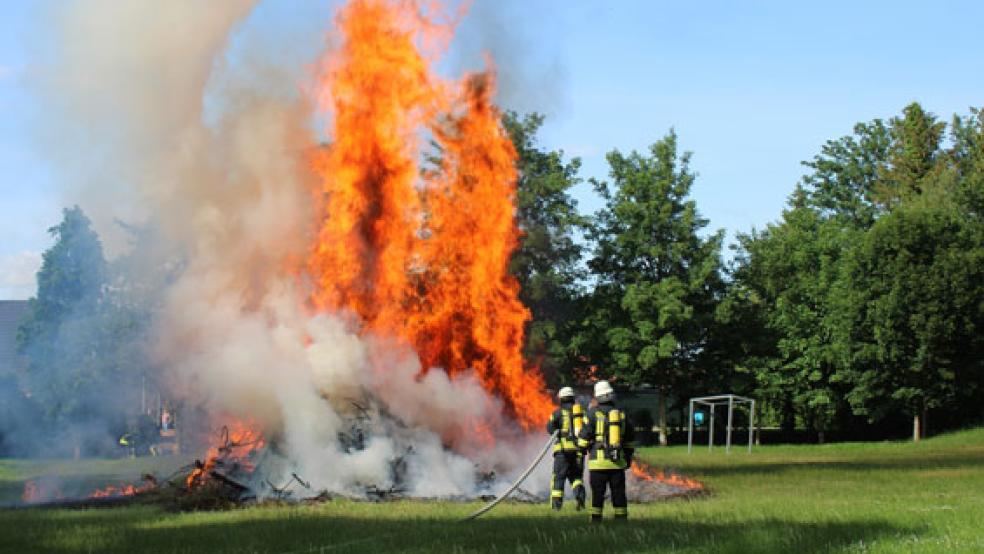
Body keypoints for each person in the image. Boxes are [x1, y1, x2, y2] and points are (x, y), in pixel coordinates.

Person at [577, 380, 634, 522]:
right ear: (611, 395)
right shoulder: (621, 415)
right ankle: (621, 519)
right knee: (619, 493)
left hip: (598, 463)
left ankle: (595, 520)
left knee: (597, 493)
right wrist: (628, 458)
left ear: (597, 396)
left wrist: (581, 451)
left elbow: (583, 438)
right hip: (617, 463)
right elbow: (629, 440)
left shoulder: (591, 414)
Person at [545, 386, 587, 510]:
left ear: (561, 399)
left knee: (559, 477)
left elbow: (549, 428)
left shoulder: (557, 413)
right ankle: (580, 496)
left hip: (562, 452)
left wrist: (558, 432)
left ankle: (556, 506)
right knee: (576, 477)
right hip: (578, 451)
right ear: (573, 398)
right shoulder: (582, 413)